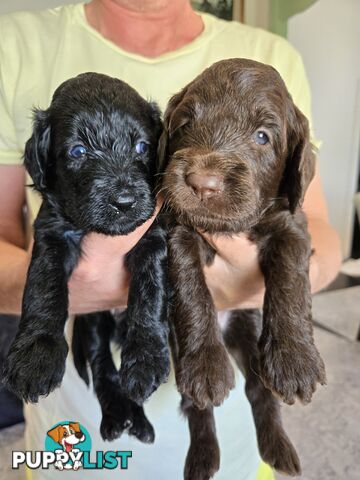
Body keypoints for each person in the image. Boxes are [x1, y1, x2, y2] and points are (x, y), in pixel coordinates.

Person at [0, 1, 341, 479]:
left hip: (238, 446)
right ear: (169, 138)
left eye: (262, 137)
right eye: (185, 128)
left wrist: (264, 292)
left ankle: (262, 431)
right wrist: (76, 290)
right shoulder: (13, 42)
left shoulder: (272, 53)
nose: (206, 176)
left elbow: (316, 231)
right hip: (71, 442)